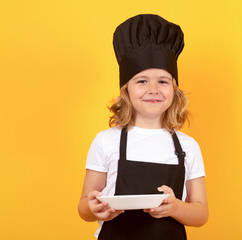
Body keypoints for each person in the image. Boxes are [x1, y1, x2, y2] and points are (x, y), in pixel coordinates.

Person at [78, 14, 208, 240]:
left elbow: (201, 213)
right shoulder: (106, 141)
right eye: (142, 81)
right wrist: (94, 208)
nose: (153, 89)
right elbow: (83, 208)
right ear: (126, 90)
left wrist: (175, 207)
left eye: (163, 81)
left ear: (174, 91)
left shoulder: (188, 146)